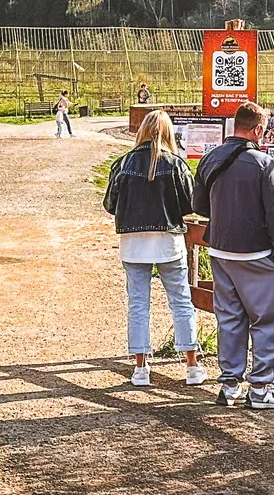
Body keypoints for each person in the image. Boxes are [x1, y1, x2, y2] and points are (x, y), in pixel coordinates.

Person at [192, 101, 274, 410]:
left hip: (220, 250)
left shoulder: (210, 158)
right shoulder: (263, 164)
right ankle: (260, 388)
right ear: (259, 129)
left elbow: (199, 206)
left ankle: (229, 384)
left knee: (230, 317)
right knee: (266, 320)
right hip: (256, 252)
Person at [103, 110, 206, 388]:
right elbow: (190, 204)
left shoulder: (122, 164)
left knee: (138, 304)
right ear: (169, 133)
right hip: (168, 242)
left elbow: (110, 205)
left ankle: (140, 369)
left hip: (133, 244)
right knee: (181, 301)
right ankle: (192, 366)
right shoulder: (175, 164)